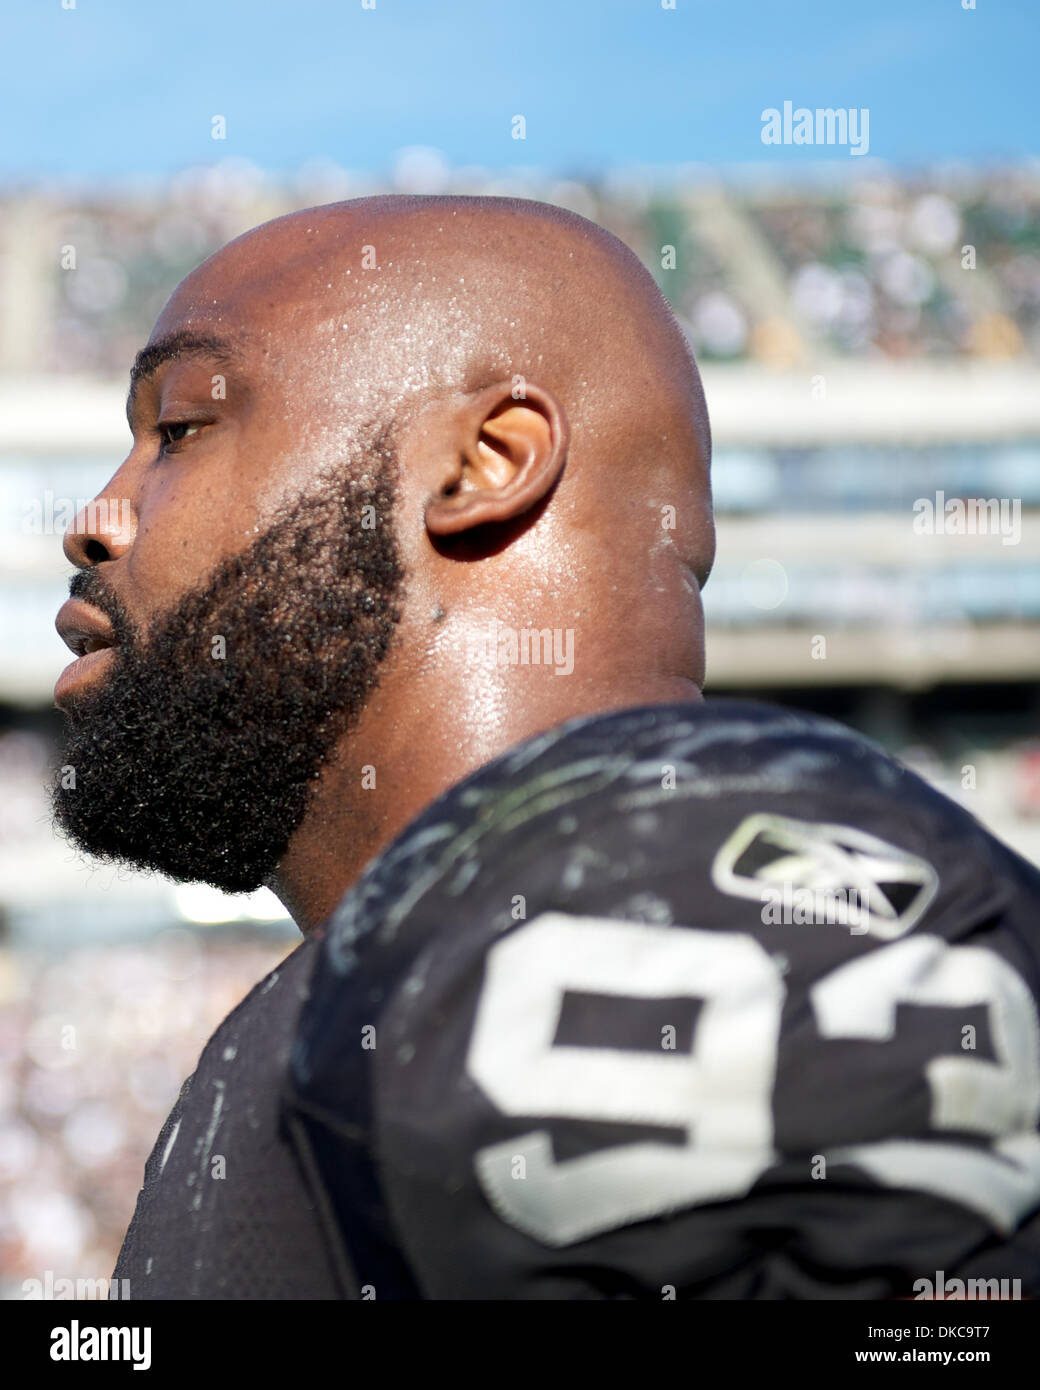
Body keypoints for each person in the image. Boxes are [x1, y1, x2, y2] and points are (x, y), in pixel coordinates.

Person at [52, 196, 1040, 1299]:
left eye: (179, 426)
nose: (96, 515)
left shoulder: (676, 901)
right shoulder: (439, 940)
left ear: (484, 463)